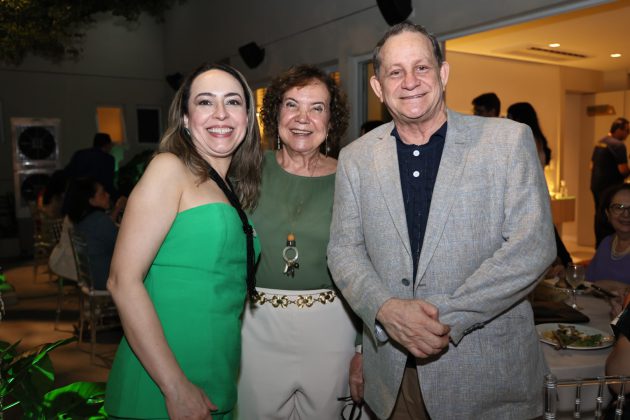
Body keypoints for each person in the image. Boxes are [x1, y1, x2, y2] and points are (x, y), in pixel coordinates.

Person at [328, 22, 555, 420]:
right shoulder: (356, 158)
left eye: (422, 67)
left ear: (443, 73)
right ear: (378, 87)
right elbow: (344, 250)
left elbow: (532, 247)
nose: (410, 82)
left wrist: (439, 320)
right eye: (395, 72)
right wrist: (386, 310)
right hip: (394, 378)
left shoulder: (507, 141)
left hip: (487, 376)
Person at [105, 63, 262, 419]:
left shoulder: (230, 190)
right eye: (205, 102)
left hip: (216, 375)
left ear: (247, 118)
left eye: (233, 102)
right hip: (163, 383)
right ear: (186, 120)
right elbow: (122, 281)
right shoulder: (169, 168)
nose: (220, 113)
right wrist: (174, 386)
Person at [236, 64, 360, 419]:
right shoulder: (245, 171)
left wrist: (364, 348)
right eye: (291, 104)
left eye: (317, 108)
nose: (302, 118)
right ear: (275, 113)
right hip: (255, 327)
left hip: (333, 329)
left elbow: (371, 263)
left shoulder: (352, 177)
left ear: (331, 121)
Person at [507, 101, 573, 270]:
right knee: (548, 233)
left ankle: (563, 264)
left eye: (510, 116)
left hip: (531, 195)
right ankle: (564, 263)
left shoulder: (525, 139)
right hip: (538, 193)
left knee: (544, 236)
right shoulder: (537, 138)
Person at [64, 177, 125, 290]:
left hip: (91, 278)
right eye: (102, 193)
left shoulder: (82, 220)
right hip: (105, 278)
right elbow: (123, 246)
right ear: (91, 200)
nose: (108, 195)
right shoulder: (99, 220)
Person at [591, 117, 630, 246]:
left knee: (599, 215)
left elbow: (590, 166)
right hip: (612, 189)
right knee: (614, 218)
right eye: (627, 131)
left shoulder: (600, 142)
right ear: (618, 129)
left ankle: (600, 246)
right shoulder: (618, 145)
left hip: (596, 186)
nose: (628, 134)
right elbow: (623, 170)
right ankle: (612, 247)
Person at [587, 184, 630, 286]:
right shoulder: (606, 243)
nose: (626, 214)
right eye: (618, 208)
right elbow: (587, 281)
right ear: (607, 214)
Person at [65, 132, 116, 196]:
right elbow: (108, 182)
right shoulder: (108, 159)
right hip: (96, 196)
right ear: (107, 145)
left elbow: (68, 173)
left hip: (76, 194)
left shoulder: (79, 154)